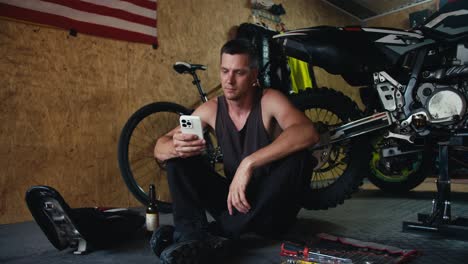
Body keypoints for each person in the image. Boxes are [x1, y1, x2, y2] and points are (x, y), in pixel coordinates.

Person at [152, 38, 319, 263]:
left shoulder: (270, 100)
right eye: (224, 71)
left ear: (253, 75)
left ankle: (212, 234)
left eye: (238, 73)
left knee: (301, 158)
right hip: (235, 201)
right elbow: (160, 146)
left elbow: (308, 131)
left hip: (272, 208)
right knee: (177, 158)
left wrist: (248, 163)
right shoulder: (211, 109)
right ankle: (191, 236)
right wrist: (175, 146)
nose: (229, 81)